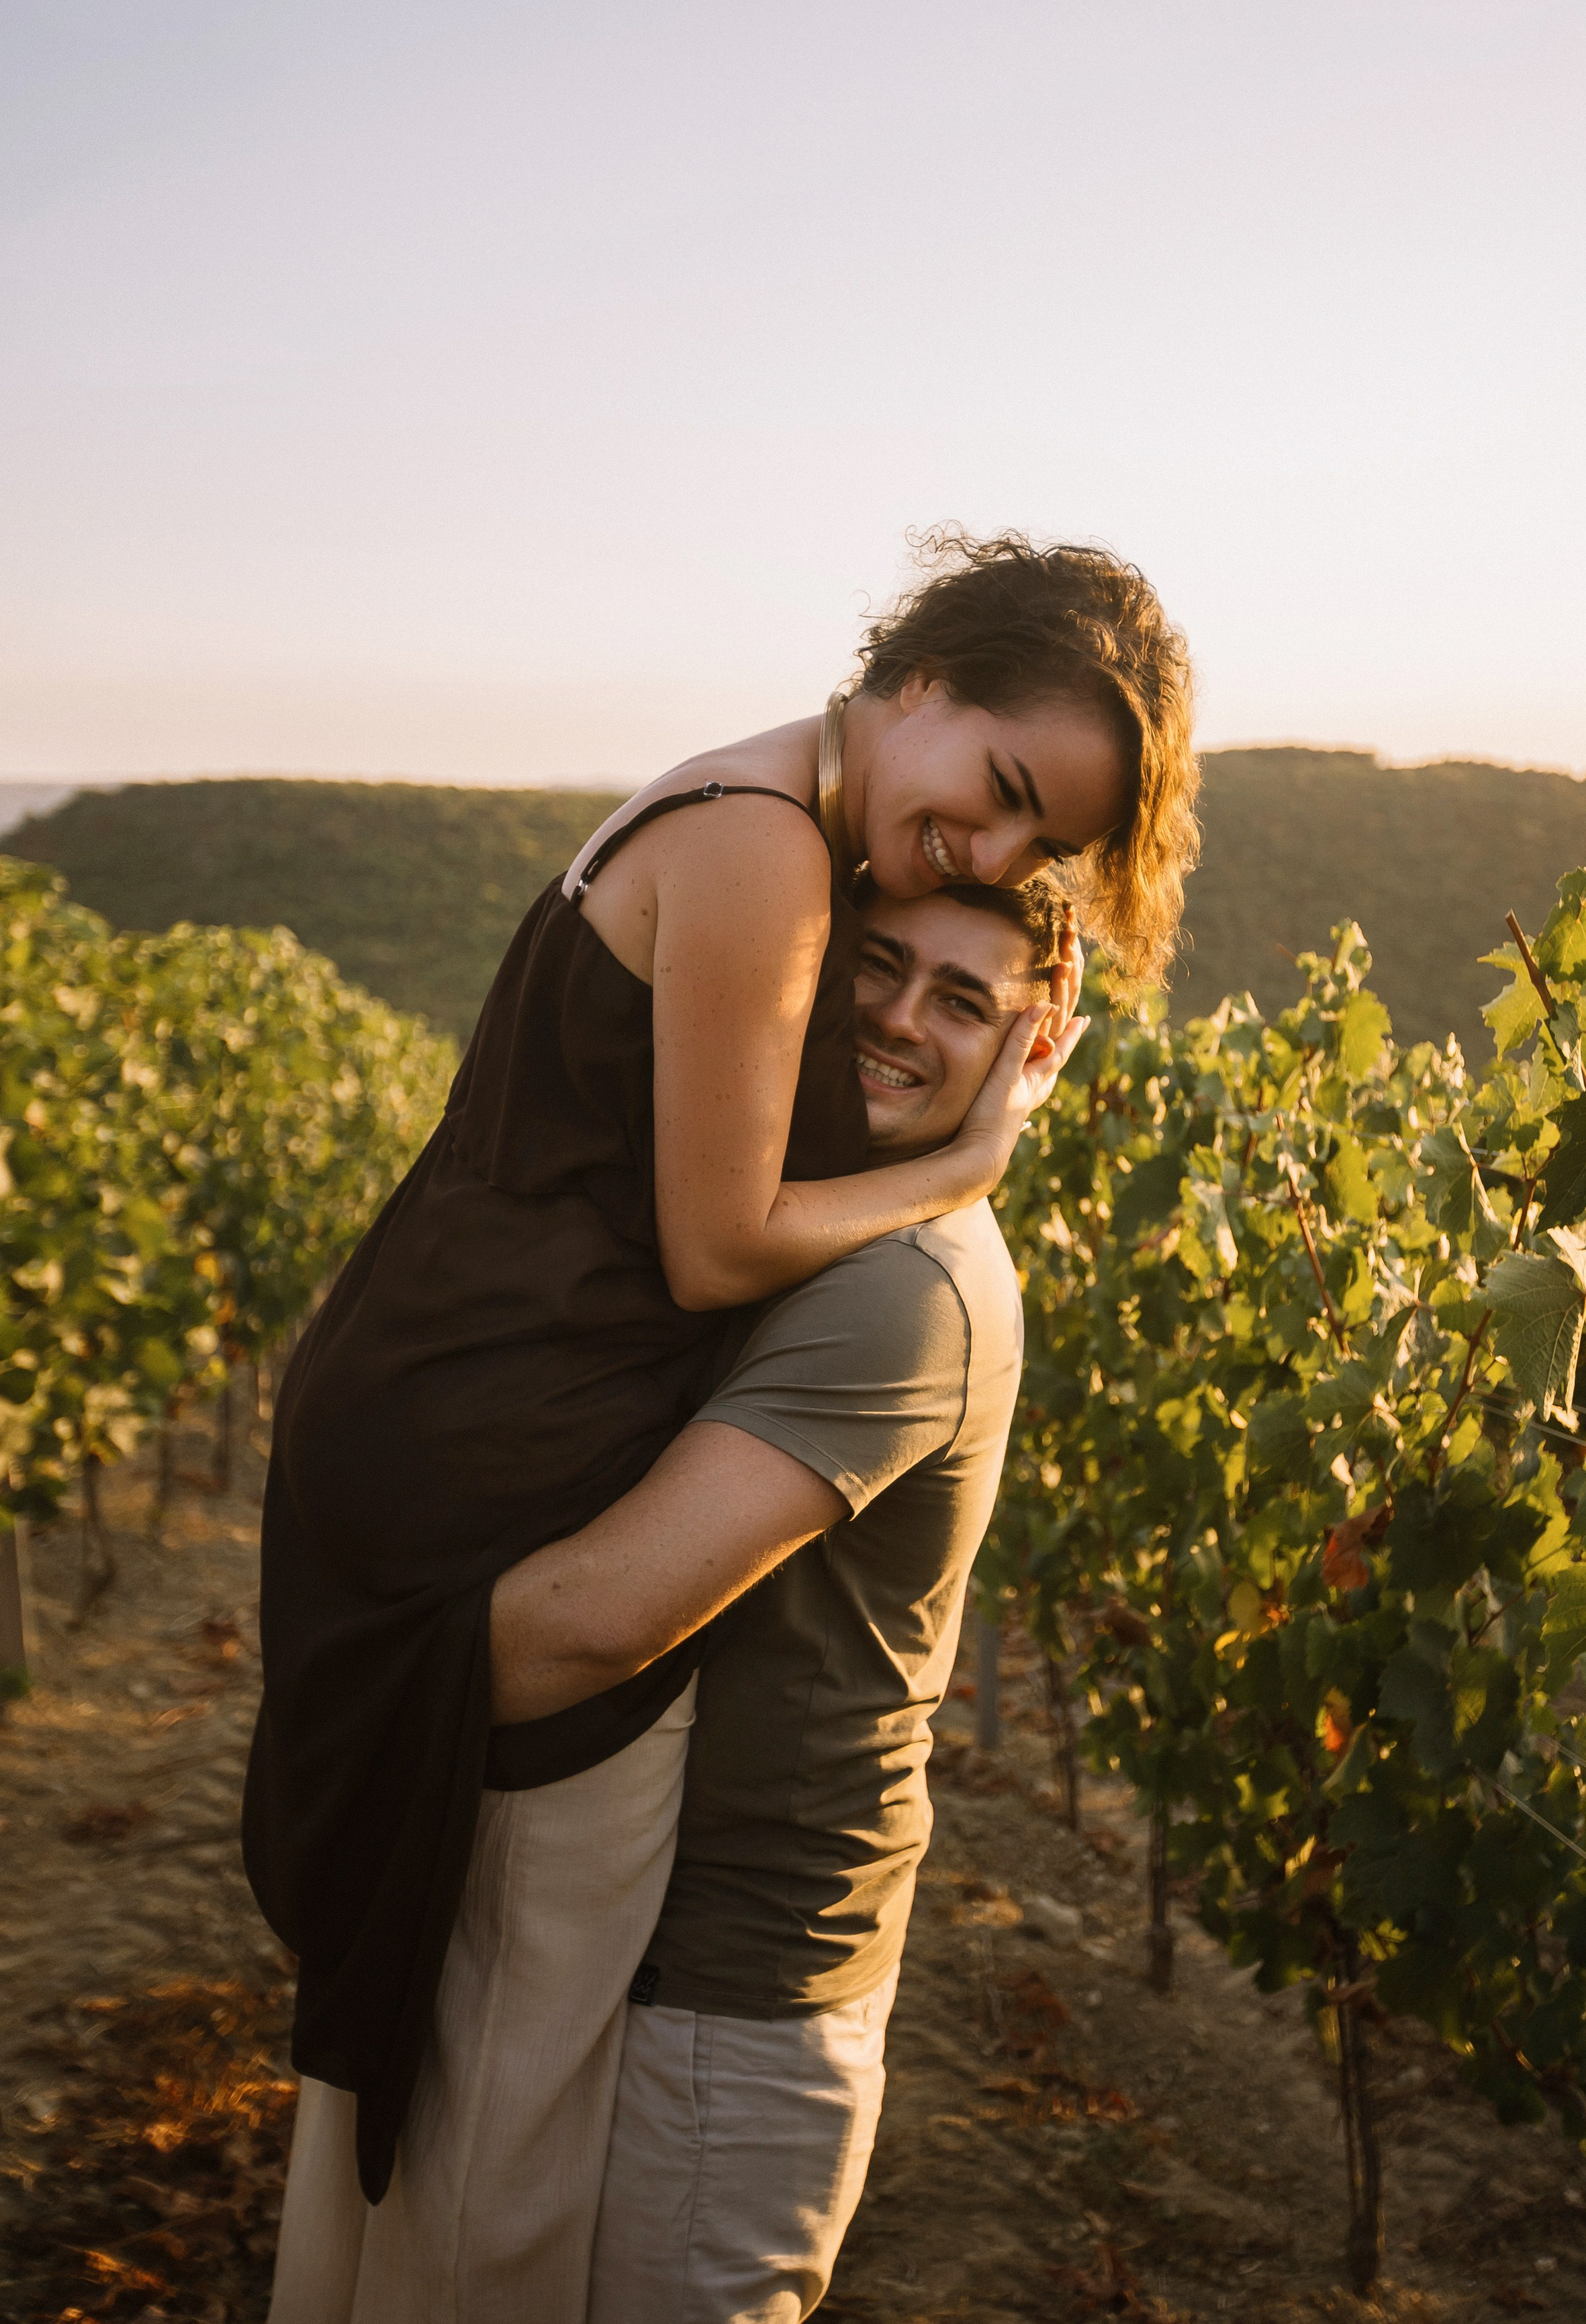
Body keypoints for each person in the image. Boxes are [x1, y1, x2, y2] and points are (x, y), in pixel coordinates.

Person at [246, 531, 1199, 2228]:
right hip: (482, 1449)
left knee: (445, 2119)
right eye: (992, 788)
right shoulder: (768, 846)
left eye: (1031, 838)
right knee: (492, 2147)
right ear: (915, 675)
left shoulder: (733, 797)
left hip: (419, 1394)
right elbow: (719, 1242)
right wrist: (969, 1158)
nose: (986, 846)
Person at [269, 874, 1063, 2323]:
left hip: (737, 1994)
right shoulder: (799, 1219)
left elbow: (594, 1621)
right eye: (876, 967)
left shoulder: (905, 1289)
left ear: (1035, 1043)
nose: (896, 1017)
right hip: (657, 1955)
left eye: (961, 998)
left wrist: (350, 1657)